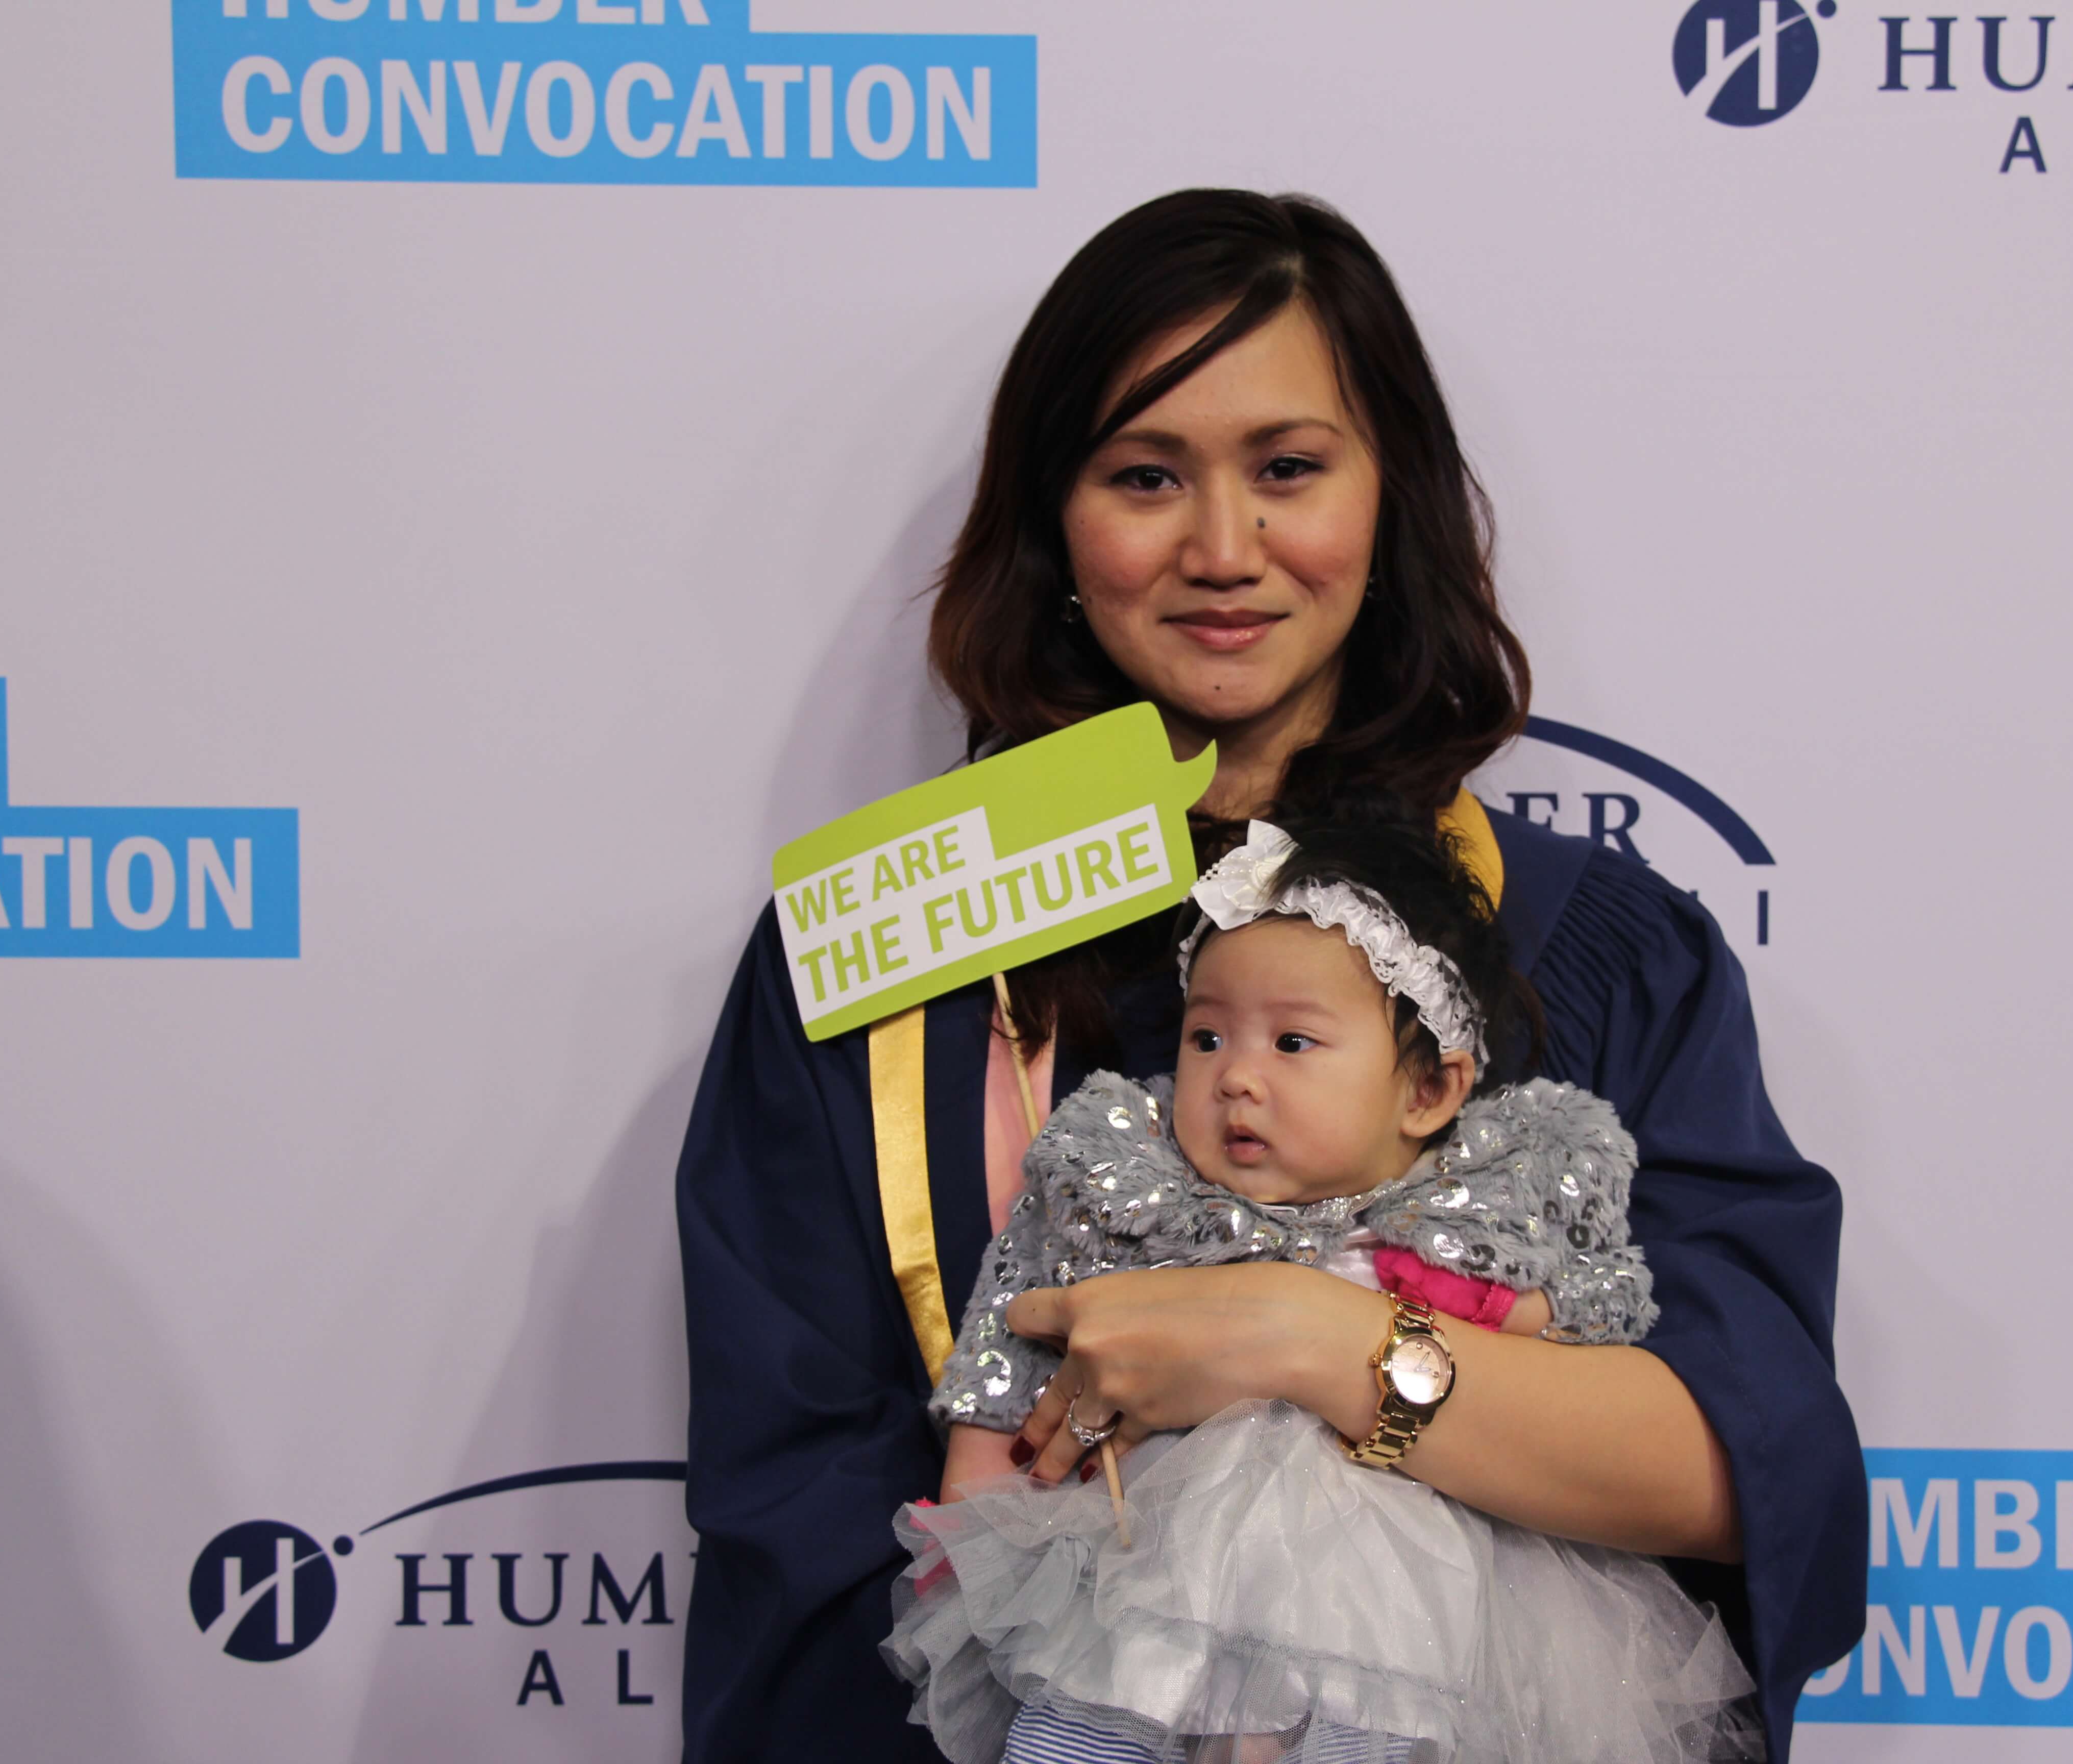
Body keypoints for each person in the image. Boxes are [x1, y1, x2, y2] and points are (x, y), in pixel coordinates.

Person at [675, 188, 1865, 1764]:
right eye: (1145, 476)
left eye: (1289, 470)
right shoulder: (884, 965)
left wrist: (1303, 1343)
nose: (1224, 550)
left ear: (1392, 506)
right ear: (1056, 527)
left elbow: (1740, 1466)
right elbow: (801, 1542)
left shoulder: (1593, 949)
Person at [887, 818, 1761, 1764]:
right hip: (1166, 1533)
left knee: (1383, 1683)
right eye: (1207, 1036)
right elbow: (1018, 1312)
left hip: (1396, 1542)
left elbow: (1592, 1313)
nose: (1238, 1080)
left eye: (1294, 1042)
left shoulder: (1475, 1212)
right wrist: (978, 1475)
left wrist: (1525, 1319)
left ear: (1426, 1091)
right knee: (1118, 1668)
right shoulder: (1136, 1190)